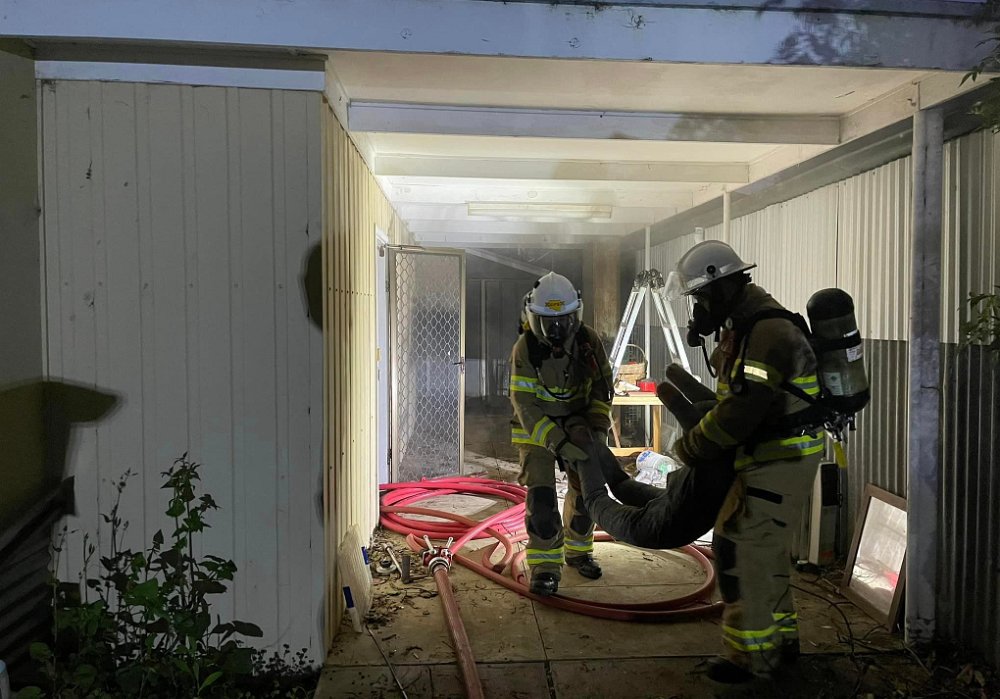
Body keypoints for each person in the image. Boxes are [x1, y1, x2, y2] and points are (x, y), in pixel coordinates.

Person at [572, 240, 824, 683]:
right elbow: (734, 403)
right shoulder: (744, 325)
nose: (698, 309)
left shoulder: (766, 333)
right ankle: (783, 643)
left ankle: (752, 660)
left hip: (779, 458)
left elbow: (739, 413)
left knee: (740, 549)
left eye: (701, 298)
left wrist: (690, 449)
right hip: (764, 454)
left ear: (723, 287)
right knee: (763, 549)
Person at [509, 271, 615, 597]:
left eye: (563, 321)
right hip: (536, 429)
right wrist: (558, 442)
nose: (556, 330)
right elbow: (524, 405)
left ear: (575, 316)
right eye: (548, 322)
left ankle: (579, 553)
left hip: (579, 423)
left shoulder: (588, 342)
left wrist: (597, 432)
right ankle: (545, 568)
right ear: (533, 318)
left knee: (586, 494)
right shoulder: (526, 348)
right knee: (541, 502)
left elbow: (602, 390)